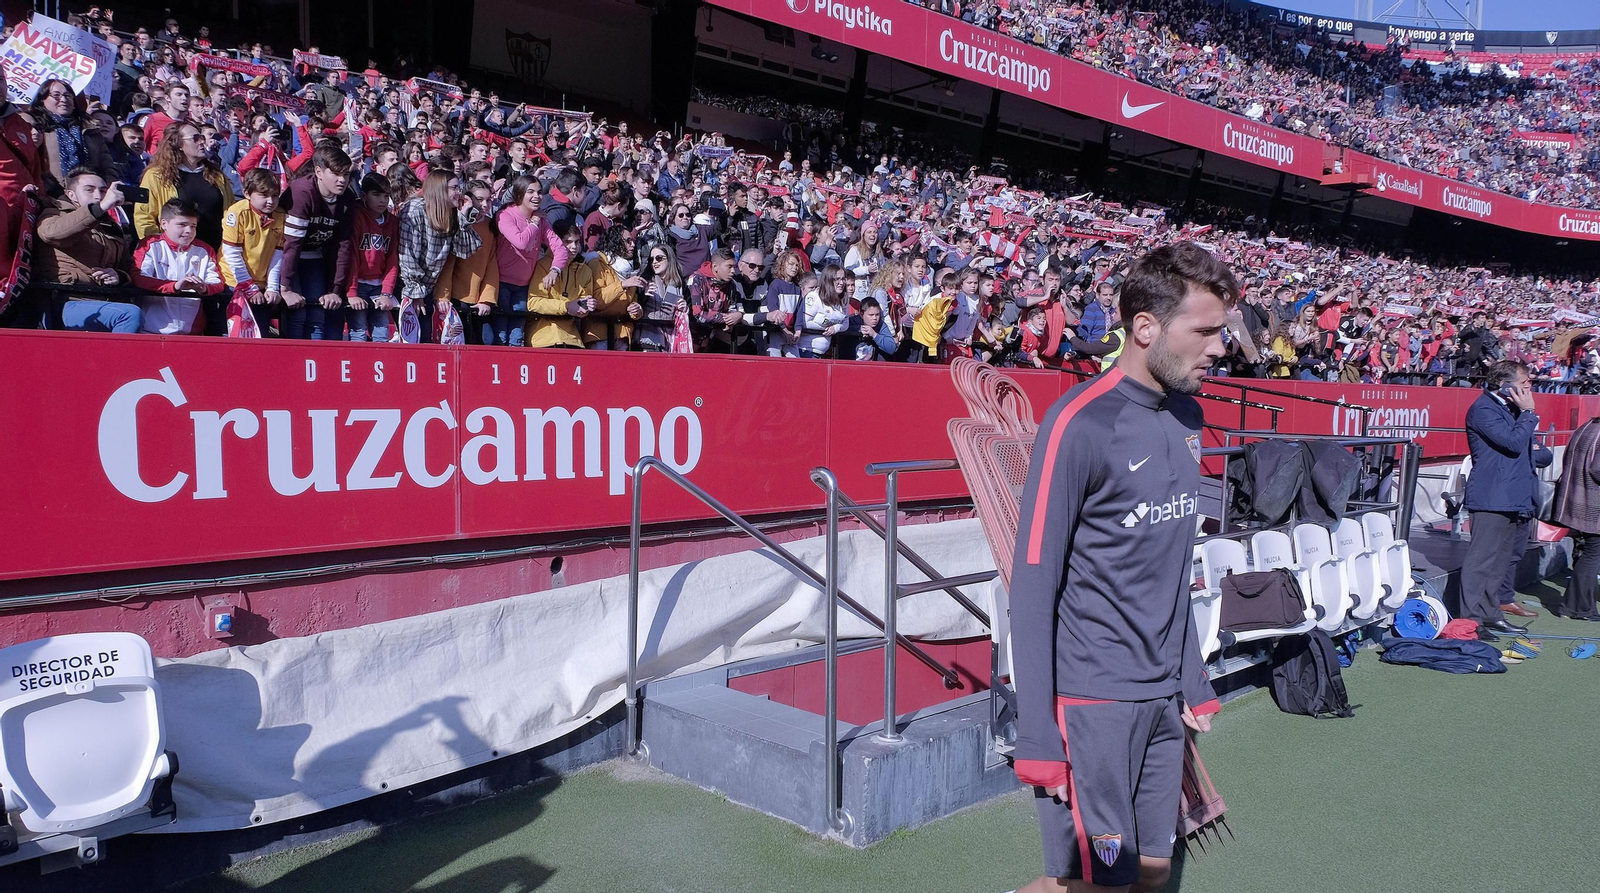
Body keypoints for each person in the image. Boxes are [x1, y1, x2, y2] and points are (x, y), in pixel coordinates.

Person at [1008, 241, 1226, 893]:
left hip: (1161, 697)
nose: (1220, 347)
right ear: (1145, 327)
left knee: (1153, 872)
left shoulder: (1189, 415)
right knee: (1101, 881)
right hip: (1092, 705)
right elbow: (1032, 584)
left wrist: (1192, 676)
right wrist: (1038, 729)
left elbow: (1171, 566)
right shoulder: (1077, 423)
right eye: (1205, 331)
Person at [1459, 361, 1546, 641]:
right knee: (1480, 562)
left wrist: (1525, 420)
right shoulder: (1483, 409)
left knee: (1500, 563)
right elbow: (1511, 443)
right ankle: (1470, 621)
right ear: (1504, 385)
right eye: (1524, 383)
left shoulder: (1509, 409)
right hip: (1491, 496)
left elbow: (1534, 451)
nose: (1529, 388)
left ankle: (1491, 615)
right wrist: (1529, 413)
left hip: (1513, 496)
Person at [34, 168, 140, 333]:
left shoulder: (110, 226)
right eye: (89, 189)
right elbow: (52, 234)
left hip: (102, 300)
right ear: (71, 195)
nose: (98, 195)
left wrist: (118, 276)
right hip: (64, 300)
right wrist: (100, 208)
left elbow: (127, 266)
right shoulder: (53, 213)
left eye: (103, 191)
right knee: (128, 314)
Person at [280, 145, 356, 339]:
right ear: (319, 172)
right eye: (336, 174)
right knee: (297, 313)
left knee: (317, 313)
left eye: (346, 174)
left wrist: (335, 290)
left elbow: (343, 246)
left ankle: (317, 360)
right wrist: (285, 287)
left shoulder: (347, 198)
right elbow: (292, 244)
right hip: (286, 256)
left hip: (316, 256)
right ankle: (295, 359)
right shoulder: (302, 192)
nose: (342, 180)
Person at [491, 174, 567, 346]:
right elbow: (521, 241)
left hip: (525, 285)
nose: (537, 196)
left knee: (517, 338)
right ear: (519, 194)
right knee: (500, 336)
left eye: (540, 192)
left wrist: (555, 270)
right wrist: (533, 222)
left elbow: (560, 248)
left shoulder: (540, 219)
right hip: (502, 282)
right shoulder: (506, 215)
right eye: (530, 192)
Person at [130, 198, 224, 334]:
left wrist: (204, 287)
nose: (189, 231)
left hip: (192, 333)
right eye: (182, 224)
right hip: (151, 330)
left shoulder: (204, 250)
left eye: (193, 226)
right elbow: (138, 278)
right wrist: (175, 286)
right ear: (164, 224)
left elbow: (218, 282)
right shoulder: (149, 245)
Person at [219, 167, 285, 329]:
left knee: (260, 334)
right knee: (232, 333)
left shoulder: (281, 215)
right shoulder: (237, 212)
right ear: (247, 194)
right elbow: (232, 253)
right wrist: (248, 287)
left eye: (275, 196)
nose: (270, 201)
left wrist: (272, 287)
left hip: (261, 285)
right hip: (234, 282)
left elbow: (278, 254)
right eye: (263, 195)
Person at [1551, 412, 1600, 621]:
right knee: (1592, 555)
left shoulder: (1588, 425)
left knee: (1589, 554)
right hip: (1591, 505)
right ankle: (1578, 608)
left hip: (1577, 502)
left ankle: (1575, 606)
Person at [33, 80, 115, 194]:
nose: (63, 99)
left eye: (68, 95)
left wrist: (108, 190)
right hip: (52, 197)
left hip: (92, 196)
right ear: (42, 99)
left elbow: (107, 165)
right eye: (56, 95)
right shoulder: (36, 127)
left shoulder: (90, 130)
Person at [345, 172, 400, 342]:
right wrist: (352, 292)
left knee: (381, 333)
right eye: (376, 195)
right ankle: (357, 368)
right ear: (363, 195)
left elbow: (392, 260)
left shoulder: (392, 222)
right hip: (358, 284)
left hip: (379, 286)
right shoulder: (356, 217)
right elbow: (352, 256)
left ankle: (381, 367)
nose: (382, 200)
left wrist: (387, 293)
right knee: (358, 332)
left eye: (386, 195)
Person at [525, 219, 595, 349]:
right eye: (567, 242)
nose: (574, 247)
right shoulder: (543, 265)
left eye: (577, 242)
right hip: (544, 339)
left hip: (573, 340)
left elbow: (582, 304)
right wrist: (566, 306)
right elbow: (533, 302)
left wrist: (586, 306)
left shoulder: (585, 270)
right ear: (556, 242)